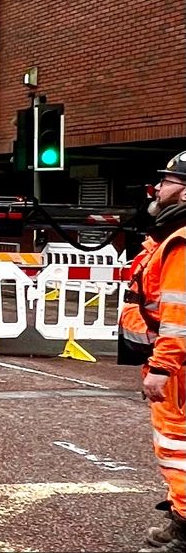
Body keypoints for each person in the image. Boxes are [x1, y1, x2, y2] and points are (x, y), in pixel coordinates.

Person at [120, 151, 186, 552]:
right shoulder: (170, 238)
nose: (158, 187)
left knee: (178, 447)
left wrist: (162, 365)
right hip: (175, 359)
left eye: (167, 180)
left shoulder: (180, 243)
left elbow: (179, 314)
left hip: (178, 365)